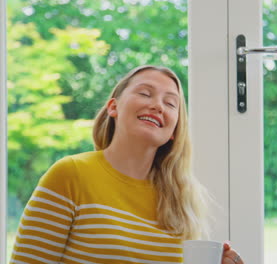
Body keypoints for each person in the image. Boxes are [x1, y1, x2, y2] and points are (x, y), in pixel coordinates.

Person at [9, 65, 244, 264]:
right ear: (114, 107)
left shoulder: (182, 200)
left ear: (174, 131)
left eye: (171, 103)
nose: (158, 106)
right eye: (145, 93)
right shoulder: (70, 174)